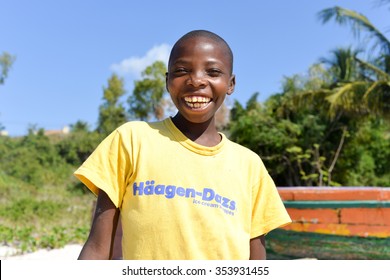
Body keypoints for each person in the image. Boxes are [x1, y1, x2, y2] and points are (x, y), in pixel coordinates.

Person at [74, 30, 291, 260]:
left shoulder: (249, 165)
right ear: (168, 81)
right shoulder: (131, 140)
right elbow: (98, 248)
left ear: (231, 83)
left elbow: (256, 260)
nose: (196, 80)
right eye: (181, 71)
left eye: (213, 71)